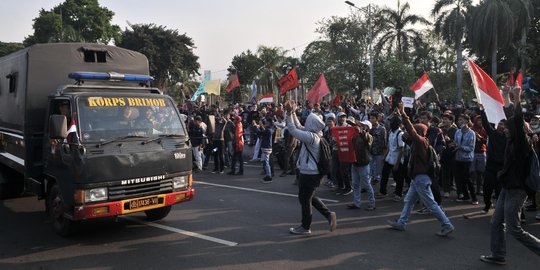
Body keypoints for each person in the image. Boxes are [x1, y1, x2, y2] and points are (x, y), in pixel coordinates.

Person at [480, 86, 540, 265]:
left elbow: (518, 119)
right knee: (496, 222)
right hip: (507, 187)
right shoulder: (512, 140)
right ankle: (498, 254)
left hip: (517, 189)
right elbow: (510, 116)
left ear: (517, 130)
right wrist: (506, 96)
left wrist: (517, 97)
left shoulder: (522, 143)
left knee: (514, 228)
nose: (504, 129)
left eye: (507, 127)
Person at [387, 103, 454, 237]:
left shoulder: (421, 142)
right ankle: (401, 222)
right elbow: (407, 135)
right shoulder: (421, 142)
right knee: (409, 201)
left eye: (414, 131)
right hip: (417, 178)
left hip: (420, 178)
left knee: (431, 204)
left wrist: (403, 114)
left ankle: (447, 224)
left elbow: (410, 130)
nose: (410, 133)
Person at [285, 100, 337, 235]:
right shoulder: (315, 134)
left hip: (309, 174)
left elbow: (292, 129)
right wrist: (293, 113)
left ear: (311, 124)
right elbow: (298, 126)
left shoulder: (310, 137)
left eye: (308, 120)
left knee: (304, 198)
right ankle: (328, 215)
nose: (305, 122)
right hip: (313, 173)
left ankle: (305, 226)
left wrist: (289, 112)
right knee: (309, 197)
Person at [347, 117, 376, 211]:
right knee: (355, 184)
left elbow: (366, 138)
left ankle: (372, 203)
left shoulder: (369, 137)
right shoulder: (355, 135)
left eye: (363, 125)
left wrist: (359, 131)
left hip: (364, 164)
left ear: (367, 128)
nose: (360, 126)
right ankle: (357, 203)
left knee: (367, 184)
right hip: (355, 163)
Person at [453, 114, 478, 205]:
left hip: (467, 159)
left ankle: (474, 198)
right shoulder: (458, 132)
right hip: (458, 158)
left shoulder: (471, 133)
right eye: (459, 120)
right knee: (460, 178)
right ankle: (465, 195)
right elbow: (455, 142)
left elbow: (471, 148)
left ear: (467, 122)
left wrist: (461, 147)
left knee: (467, 178)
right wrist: (454, 145)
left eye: (462, 120)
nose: (460, 122)